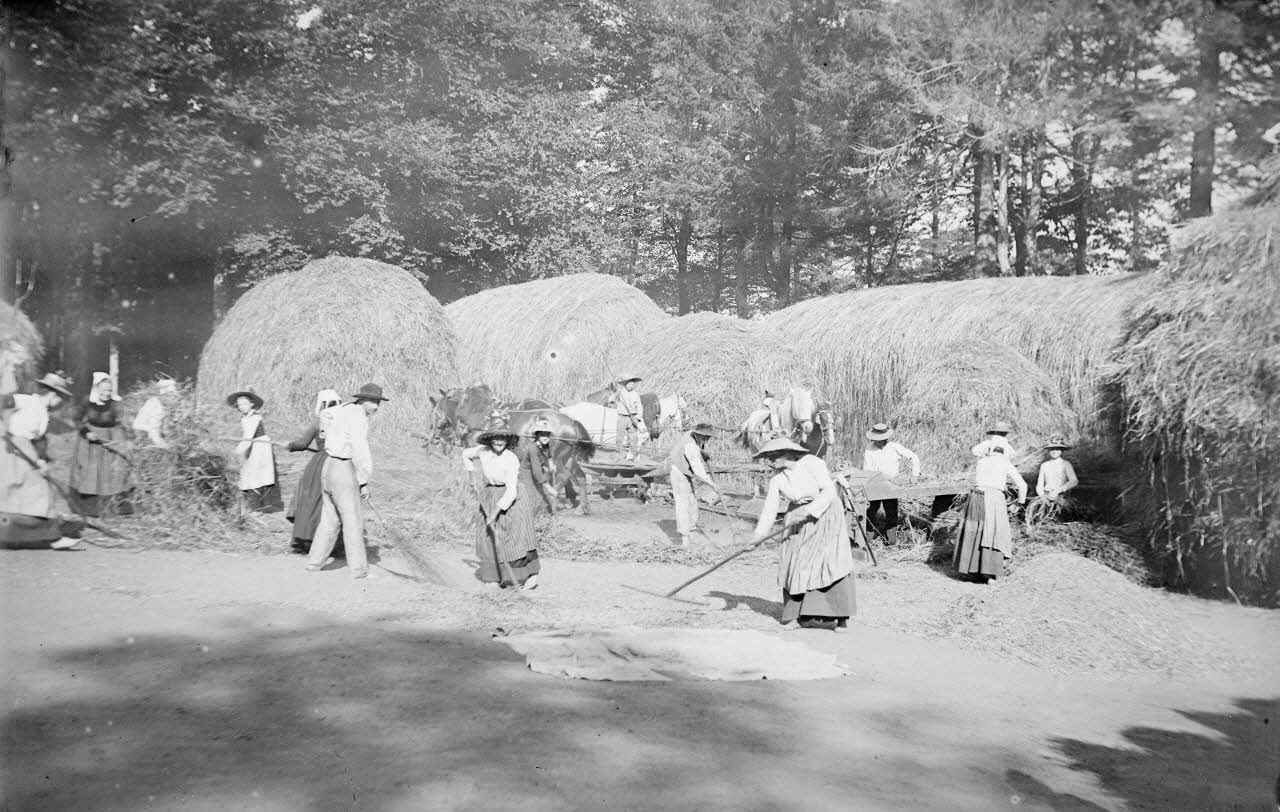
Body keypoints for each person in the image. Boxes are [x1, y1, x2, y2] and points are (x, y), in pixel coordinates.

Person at [751, 438, 856, 631]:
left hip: (825, 515)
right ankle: (794, 616)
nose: (768, 461)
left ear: (785, 453)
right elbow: (769, 508)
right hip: (797, 518)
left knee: (829, 562)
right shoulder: (777, 478)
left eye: (771, 456)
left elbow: (829, 492)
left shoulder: (812, 463)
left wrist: (808, 511)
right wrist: (758, 536)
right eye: (766, 457)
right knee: (794, 563)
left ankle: (840, 618)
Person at [306, 383, 388, 579]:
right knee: (353, 521)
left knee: (330, 519)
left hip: (327, 466)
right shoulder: (359, 417)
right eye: (373, 402)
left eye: (378, 402)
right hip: (343, 469)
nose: (376, 406)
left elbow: (324, 419)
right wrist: (363, 481)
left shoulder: (341, 409)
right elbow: (360, 449)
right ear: (363, 400)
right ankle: (359, 570)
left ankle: (314, 563)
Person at [0, 372, 80, 549]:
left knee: (36, 493)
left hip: (26, 450)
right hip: (10, 449)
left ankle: (46, 536)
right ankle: (50, 537)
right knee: (23, 492)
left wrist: (41, 459)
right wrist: (3, 424)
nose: (61, 402)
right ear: (53, 395)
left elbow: (39, 440)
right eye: (61, 398)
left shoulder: (44, 413)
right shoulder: (27, 400)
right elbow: (4, 401)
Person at [462, 413, 540, 590]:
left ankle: (530, 575)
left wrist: (494, 513)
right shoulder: (482, 451)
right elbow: (465, 454)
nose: (499, 441)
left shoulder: (510, 459)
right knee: (488, 536)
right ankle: (493, 578)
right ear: (490, 439)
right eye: (496, 437)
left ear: (507, 440)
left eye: (503, 438)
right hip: (490, 494)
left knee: (516, 536)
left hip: (512, 498)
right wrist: (471, 476)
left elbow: (511, 492)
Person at [954, 439, 1028, 583]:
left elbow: (976, 452)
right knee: (994, 533)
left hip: (976, 498)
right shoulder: (1005, 463)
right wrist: (1020, 503)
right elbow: (1022, 486)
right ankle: (989, 574)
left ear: (990, 449)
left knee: (977, 531)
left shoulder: (981, 462)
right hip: (994, 500)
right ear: (1005, 451)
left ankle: (972, 570)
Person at [285, 388, 342, 555]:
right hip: (339, 462)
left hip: (320, 463)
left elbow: (302, 443)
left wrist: (290, 446)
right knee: (335, 503)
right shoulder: (344, 420)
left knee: (310, 500)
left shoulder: (318, 422)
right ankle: (332, 544)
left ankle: (306, 541)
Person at [68, 372, 132, 517]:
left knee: (108, 473)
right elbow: (77, 419)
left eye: (109, 390)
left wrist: (127, 440)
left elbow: (124, 423)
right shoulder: (87, 401)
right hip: (89, 442)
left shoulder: (116, 404)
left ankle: (111, 506)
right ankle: (88, 507)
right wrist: (86, 432)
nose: (106, 393)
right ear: (96, 388)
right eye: (103, 390)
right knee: (89, 472)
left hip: (108, 440)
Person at [861, 422, 921, 544]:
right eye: (874, 439)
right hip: (874, 484)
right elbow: (867, 469)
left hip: (890, 486)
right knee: (870, 512)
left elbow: (914, 457)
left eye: (878, 439)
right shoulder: (869, 448)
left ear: (884, 438)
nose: (875, 441)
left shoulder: (894, 447)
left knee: (891, 513)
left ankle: (891, 541)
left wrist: (915, 475)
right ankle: (867, 539)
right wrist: (878, 478)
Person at [227, 388, 282, 512]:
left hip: (259, 447)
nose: (242, 407)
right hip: (253, 445)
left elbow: (248, 438)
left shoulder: (254, 418)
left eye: (244, 404)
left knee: (256, 473)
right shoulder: (245, 418)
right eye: (239, 405)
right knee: (252, 472)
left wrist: (236, 452)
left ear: (251, 404)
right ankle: (257, 505)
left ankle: (261, 506)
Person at [668, 422, 719, 547]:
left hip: (685, 471)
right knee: (683, 505)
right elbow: (699, 471)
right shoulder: (690, 445)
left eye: (708, 437)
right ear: (697, 433)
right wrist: (712, 484)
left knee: (692, 503)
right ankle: (685, 540)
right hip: (678, 472)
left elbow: (697, 449)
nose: (706, 439)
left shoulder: (691, 435)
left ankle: (691, 531)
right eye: (703, 436)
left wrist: (702, 451)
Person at [517, 417, 558, 516]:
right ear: (537, 435)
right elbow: (536, 471)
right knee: (532, 496)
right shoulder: (533, 448)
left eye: (547, 434)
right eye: (542, 434)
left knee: (542, 496)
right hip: (526, 472)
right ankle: (529, 518)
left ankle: (544, 516)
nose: (545, 437)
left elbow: (548, 455)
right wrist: (549, 487)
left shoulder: (545, 445)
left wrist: (551, 464)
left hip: (537, 470)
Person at [131, 377, 178, 448]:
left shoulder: (163, 405)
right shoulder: (155, 405)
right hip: (144, 433)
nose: (173, 399)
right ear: (164, 395)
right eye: (171, 396)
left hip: (152, 433)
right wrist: (164, 446)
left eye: (174, 397)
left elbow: (164, 426)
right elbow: (153, 430)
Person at [1036, 435, 1080, 505]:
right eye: (1052, 449)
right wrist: (1042, 496)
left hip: (1061, 495)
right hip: (1046, 495)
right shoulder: (1044, 465)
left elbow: (1074, 481)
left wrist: (1058, 491)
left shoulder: (1066, 464)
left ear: (1061, 451)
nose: (1054, 451)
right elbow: (1039, 484)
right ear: (1048, 450)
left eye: (1057, 449)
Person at [612, 375, 647, 461]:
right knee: (620, 437)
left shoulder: (635, 394)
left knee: (634, 437)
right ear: (626, 384)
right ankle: (619, 455)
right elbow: (610, 400)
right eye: (630, 384)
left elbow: (639, 406)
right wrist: (616, 394)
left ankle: (634, 456)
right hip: (622, 417)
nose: (632, 386)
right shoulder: (620, 392)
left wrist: (638, 417)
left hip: (632, 418)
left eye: (633, 384)